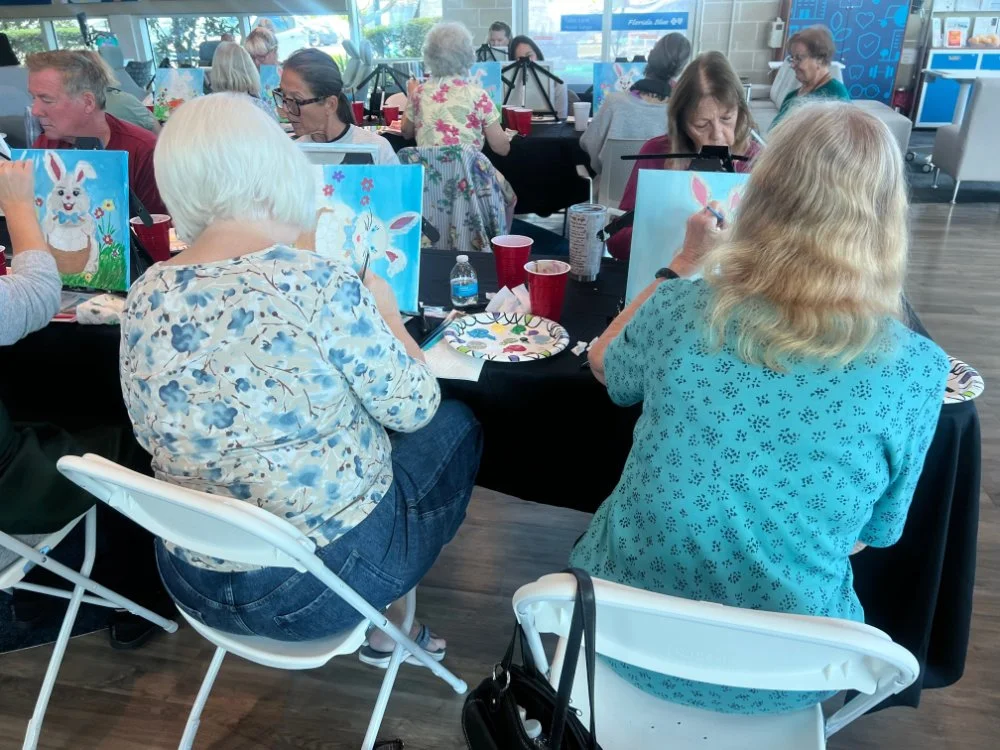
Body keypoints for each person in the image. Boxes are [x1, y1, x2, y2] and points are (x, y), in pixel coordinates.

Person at [572, 100, 949, 715]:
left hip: (617, 636)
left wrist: (686, 262)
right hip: (786, 676)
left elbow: (603, 363)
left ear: (762, 196)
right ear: (885, 222)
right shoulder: (918, 371)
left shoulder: (679, 309)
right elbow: (874, 534)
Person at [122, 93, 482, 662]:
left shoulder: (145, 293)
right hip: (319, 589)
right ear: (277, 168)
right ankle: (387, 616)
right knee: (455, 424)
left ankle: (386, 615)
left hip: (192, 581)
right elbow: (416, 407)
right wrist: (385, 312)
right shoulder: (318, 280)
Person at [0, 159, 170, 647]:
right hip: (12, 486)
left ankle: (46, 586)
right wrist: (17, 205)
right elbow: (36, 293)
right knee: (132, 441)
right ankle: (137, 596)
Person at [607, 52, 760, 261]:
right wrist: (660, 228)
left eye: (726, 118)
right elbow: (616, 242)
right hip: (665, 274)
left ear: (740, 112)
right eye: (701, 124)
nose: (717, 134)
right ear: (681, 123)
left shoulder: (756, 160)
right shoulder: (656, 153)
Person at [26, 50, 167, 216]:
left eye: (47, 100)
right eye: (34, 98)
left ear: (88, 102)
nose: (35, 111)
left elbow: (160, 231)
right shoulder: (43, 147)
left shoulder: (143, 151)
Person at [581, 32, 692, 173]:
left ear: (651, 55)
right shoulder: (683, 112)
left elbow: (589, 143)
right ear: (681, 69)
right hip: (660, 193)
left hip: (610, 193)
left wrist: (605, 173)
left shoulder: (614, 103)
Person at [401, 22, 510, 156]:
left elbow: (406, 133)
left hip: (429, 175)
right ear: (468, 54)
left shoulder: (418, 93)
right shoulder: (478, 95)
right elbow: (501, 149)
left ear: (429, 54)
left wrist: (411, 94)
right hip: (468, 175)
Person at [278, 48, 397, 165]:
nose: (286, 109)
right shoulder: (292, 154)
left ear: (330, 104)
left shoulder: (376, 151)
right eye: (284, 97)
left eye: (296, 100)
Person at [771, 25, 850, 128]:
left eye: (799, 58)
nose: (792, 65)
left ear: (820, 59)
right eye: (792, 58)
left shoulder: (836, 95)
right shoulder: (791, 96)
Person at [507, 35, 572, 118]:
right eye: (520, 59)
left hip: (550, 129)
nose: (526, 61)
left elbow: (561, 121)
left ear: (538, 55)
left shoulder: (557, 84)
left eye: (529, 56)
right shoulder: (510, 86)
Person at [210, 41, 277, 120]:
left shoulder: (206, 108)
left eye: (261, 56)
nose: (256, 62)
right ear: (248, 65)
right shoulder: (258, 106)